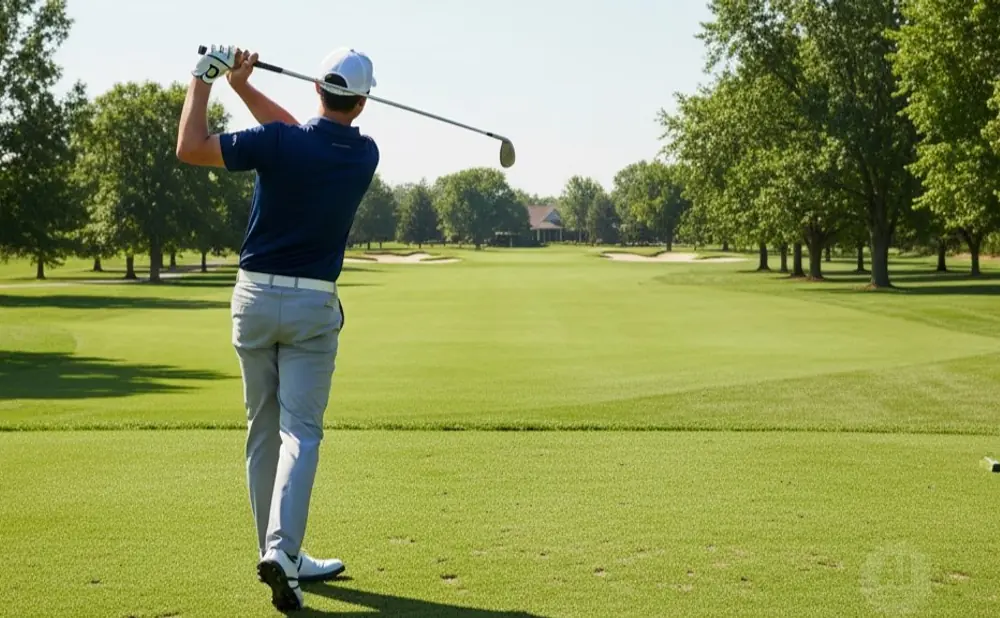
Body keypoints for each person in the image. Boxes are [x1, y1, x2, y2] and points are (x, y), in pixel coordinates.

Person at [176, 44, 380, 611]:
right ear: (361, 103)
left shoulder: (279, 143)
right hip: (314, 306)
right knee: (301, 433)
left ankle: (278, 552)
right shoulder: (365, 155)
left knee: (262, 431)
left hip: (255, 300)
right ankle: (282, 552)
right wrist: (242, 86)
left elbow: (190, 147)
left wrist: (206, 81)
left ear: (317, 87)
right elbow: (300, 133)